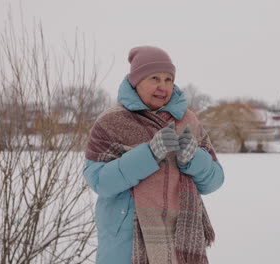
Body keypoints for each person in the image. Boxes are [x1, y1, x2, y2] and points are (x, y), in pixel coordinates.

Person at [83, 46, 224, 264]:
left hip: (180, 242)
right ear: (136, 82)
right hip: (126, 245)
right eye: (154, 78)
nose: (163, 86)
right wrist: (149, 154)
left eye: (168, 79)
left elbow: (214, 180)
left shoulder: (187, 122)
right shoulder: (111, 123)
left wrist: (193, 159)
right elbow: (99, 181)